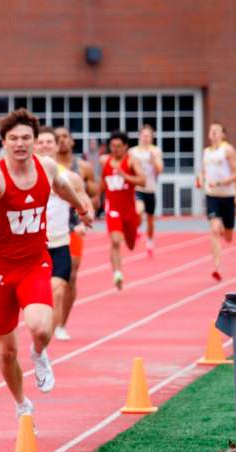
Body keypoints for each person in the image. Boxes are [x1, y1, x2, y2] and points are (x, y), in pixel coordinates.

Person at [0, 109, 92, 432]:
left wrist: (81, 207)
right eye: (14, 139)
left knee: (40, 328)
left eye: (26, 138)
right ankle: (22, 404)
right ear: (4, 142)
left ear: (35, 141)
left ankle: (39, 354)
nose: (20, 144)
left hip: (35, 261)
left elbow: (63, 187)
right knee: (6, 352)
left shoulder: (45, 166)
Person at [35, 127, 93, 339]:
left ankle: (50, 335)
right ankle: (41, 328)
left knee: (57, 290)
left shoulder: (70, 177)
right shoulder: (22, 176)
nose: (45, 146)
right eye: (40, 142)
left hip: (59, 241)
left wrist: (83, 221)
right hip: (31, 245)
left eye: (49, 142)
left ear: (55, 145)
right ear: (34, 144)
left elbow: (86, 203)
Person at [54, 127, 98, 341]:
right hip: (49, 227)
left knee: (70, 275)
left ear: (71, 141)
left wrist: (87, 213)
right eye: (57, 138)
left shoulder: (82, 168)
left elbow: (93, 194)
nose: (61, 141)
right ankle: (49, 317)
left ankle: (61, 323)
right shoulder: (46, 167)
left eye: (65, 137)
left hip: (73, 227)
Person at [101, 131, 146, 290]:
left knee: (131, 244)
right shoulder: (104, 161)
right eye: (112, 146)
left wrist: (125, 175)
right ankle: (117, 273)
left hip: (129, 210)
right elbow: (102, 183)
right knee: (115, 240)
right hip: (112, 208)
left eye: (119, 146)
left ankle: (137, 227)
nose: (115, 149)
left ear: (126, 147)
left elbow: (143, 180)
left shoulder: (131, 161)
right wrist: (92, 200)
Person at [196, 122, 236, 281]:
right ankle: (216, 265)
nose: (214, 133)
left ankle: (225, 227)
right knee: (214, 229)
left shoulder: (227, 150)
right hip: (212, 195)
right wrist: (200, 179)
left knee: (228, 236)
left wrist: (224, 183)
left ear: (223, 134)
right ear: (208, 134)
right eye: (211, 130)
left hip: (227, 195)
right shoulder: (206, 152)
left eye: (217, 130)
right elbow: (203, 171)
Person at [129, 125, 163, 256]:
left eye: (148, 136)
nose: (146, 138)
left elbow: (160, 169)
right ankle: (137, 229)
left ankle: (149, 240)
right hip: (138, 187)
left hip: (151, 188)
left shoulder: (156, 151)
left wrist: (153, 159)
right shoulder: (133, 151)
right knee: (139, 210)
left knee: (150, 220)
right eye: (144, 135)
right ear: (139, 136)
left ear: (152, 137)